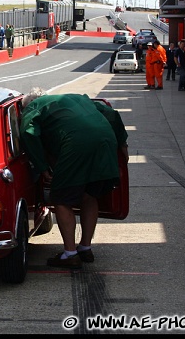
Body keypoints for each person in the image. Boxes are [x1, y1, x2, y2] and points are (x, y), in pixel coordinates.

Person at [20, 88, 128, 269]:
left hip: (76, 144)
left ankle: (70, 254)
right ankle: (85, 247)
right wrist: (122, 142)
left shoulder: (33, 106)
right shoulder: (78, 98)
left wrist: (42, 166)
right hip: (105, 140)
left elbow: (28, 132)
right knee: (89, 195)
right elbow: (110, 113)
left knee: (60, 199)